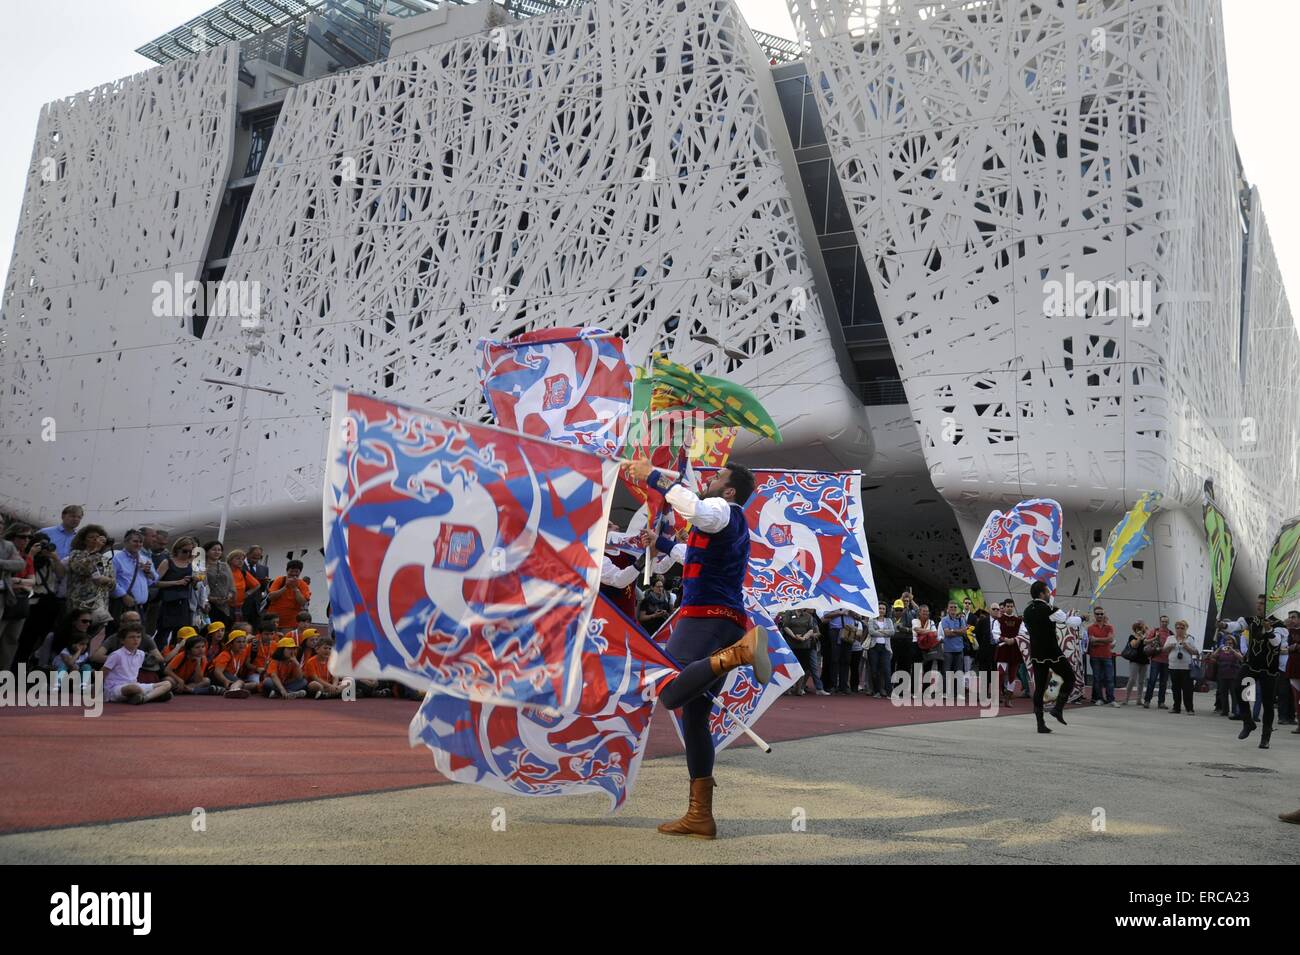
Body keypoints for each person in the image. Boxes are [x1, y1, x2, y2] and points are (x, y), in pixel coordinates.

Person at [629, 459, 770, 840]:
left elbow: (696, 509)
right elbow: (690, 554)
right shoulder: (726, 523)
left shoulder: (723, 510)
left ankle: (739, 654)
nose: (709, 480)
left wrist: (654, 478)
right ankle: (700, 817)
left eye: (718, 478)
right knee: (694, 719)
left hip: (703, 619)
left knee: (670, 690)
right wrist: (659, 543)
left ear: (730, 491)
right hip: (725, 622)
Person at [1022, 581, 1079, 733]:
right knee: (1070, 677)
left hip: (1037, 653)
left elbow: (1025, 629)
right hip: (1052, 651)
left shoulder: (1027, 611)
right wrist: (1082, 619)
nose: (1049, 595)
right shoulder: (1049, 609)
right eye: (1047, 592)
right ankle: (1058, 708)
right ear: (1041, 594)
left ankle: (1040, 723)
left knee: (1039, 687)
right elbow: (1069, 621)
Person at [1228, 597, 1285, 748]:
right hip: (1251, 664)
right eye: (1258, 603)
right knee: (1240, 688)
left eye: (1262, 604)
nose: (1258, 606)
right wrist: (1223, 625)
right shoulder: (1251, 620)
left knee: (1267, 703)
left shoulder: (1279, 624)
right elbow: (1236, 625)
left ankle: (1265, 737)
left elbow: (1276, 642)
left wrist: (1269, 629)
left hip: (1269, 669)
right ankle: (1248, 722)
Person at [18, 532, 66, 670]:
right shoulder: (25, 558)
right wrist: (31, 555)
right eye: (40, 544)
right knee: (26, 639)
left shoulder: (49, 561)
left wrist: (55, 558)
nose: (43, 548)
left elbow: (61, 574)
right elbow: (22, 573)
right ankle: (18, 669)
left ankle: (34, 665)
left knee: (44, 639)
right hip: (32, 602)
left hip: (49, 602)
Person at [102, 624, 173, 704]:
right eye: (131, 637)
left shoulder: (141, 654)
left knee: (167, 684)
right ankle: (154, 696)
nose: (136, 640)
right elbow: (102, 673)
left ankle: (145, 698)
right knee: (133, 688)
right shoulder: (116, 655)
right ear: (122, 640)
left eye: (138, 637)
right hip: (116, 688)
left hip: (135, 685)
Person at [0, 523, 36, 673]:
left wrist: (19, 581)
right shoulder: (6, 548)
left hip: (18, 602)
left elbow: (31, 579)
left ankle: (3, 674)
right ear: (12, 536)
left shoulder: (25, 557)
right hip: (5, 597)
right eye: (22, 537)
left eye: (29, 537)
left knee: (11, 639)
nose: (26, 540)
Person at [65, 524, 114, 628]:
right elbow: (81, 568)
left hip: (99, 606)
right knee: (76, 635)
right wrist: (95, 551)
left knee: (90, 637)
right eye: (91, 537)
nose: (95, 540)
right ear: (83, 540)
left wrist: (107, 580)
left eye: (98, 537)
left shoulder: (105, 559)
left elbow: (113, 584)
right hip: (80, 604)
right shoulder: (76, 554)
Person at [154, 538, 197, 649]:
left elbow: (196, 587)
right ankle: (158, 657)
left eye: (190, 551)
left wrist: (194, 581)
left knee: (181, 634)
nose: (187, 554)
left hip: (183, 602)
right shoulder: (168, 562)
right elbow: (155, 582)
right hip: (168, 602)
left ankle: (173, 657)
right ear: (177, 549)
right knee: (163, 634)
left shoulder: (191, 564)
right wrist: (176, 582)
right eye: (184, 551)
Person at [109, 530, 157, 629]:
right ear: (126, 542)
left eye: (140, 542)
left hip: (140, 607)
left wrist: (148, 572)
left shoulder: (144, 559)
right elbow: (111, 580)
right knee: (117, 636)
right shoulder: (116, 559)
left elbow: (154, 580)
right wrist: (124, 595)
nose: (138, 544)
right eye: (135, 541)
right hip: (123, 605)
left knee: (137, 638)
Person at [779, 606, 823, 696]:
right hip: (791, 644)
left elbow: (811, 629)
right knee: (790, 667)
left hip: (804, 645)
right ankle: (787, 688)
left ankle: (799, 688)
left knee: (803, 667)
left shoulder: (808, 616)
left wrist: (804, 637)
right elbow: (785, 626)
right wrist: (794, 636)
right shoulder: (789, 613)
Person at [1163, 620, 1199, 714]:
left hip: (1186, 668)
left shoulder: (1189, 639)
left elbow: (1195, 652)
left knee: (1187, 689)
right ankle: (1176, 707)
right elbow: (1164, 650)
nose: (1179, 630)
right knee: (1175, 688)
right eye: (1177, 628)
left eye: (1182, 628)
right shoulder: (1170, 638)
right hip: (1173, 667)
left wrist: (1187, 646)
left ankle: (1190, 708)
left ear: (1186, 629)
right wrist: (1170, 646)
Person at [266, 561, 310, 633]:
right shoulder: (279, 580)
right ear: (287, 570)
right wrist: (285, 587)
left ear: (300, 572)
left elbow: (302, 602)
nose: (293, 574)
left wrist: (295, 588)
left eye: (296, 571)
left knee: (286, 642)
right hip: (273, 620)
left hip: (290, 622)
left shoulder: (303, 584)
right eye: (291, 571)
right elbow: (271, 597)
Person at [1207, 633, 1244, 720]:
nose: (1228, 645)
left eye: (1230, 643)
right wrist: (1219, 649)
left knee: (1234, 694)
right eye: (1227, 643)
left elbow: (1242, 658)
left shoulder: (1236, 650)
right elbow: (1212, 656)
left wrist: (1233, 650)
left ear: (1234, 643)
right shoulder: (1221, 650)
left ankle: (1235, 711)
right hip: (1222, 675)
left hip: (1233, 675)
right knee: (1223, 693)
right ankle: (1225, 710)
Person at [994, 598, 1023, 705]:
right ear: (1004, 607)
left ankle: (1009, 698)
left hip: (1014, 650)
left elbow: (1023, 634)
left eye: (1011, 606)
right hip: (1003, 650)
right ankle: (997, 696)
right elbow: (995, 634)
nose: (1010, 608)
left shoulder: (1019, 621)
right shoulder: (999, 620)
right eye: (1008, 606)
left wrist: (1014, 639)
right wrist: (1005, 639)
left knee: (1012, 675)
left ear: (1013, 607)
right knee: (1000, 673)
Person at [208, 629, 253, 699]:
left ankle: (229, 689)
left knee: (254, 684)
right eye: (238, 642)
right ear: (231, 644)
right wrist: (225, 681)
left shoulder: (242, 651)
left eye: (243, 642)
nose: (242, 644)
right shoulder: (225, 654)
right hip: (217, 675)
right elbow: (217, 672)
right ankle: (234, 690)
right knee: (239, 681)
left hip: (231, 676)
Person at [1086, 606, 1117, 705]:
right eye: (1097, 614)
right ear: (1094, 615)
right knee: (1097, 678)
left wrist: (1097, 639)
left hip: (1107, 656)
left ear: (1104, 614)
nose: (1100, 615)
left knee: (1109, 678)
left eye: (1101, 614)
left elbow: (1111, 639)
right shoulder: (1090, 628)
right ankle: (1099, 698)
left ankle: (1111, 699)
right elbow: (1091, 642)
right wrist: (1105, 640)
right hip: (1095, 656)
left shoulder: (1109, 627)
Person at [203, 541, 235, 631]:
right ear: (206, 551)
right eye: (214, 550)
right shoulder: (202, 566)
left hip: (224, 604)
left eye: (219, 550)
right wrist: (210, 598)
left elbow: (231, 584)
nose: (217, 552)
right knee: (208, 630)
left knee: (222, 630)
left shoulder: (225, 566)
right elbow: (200, 586)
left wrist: (229, 595)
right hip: (208, 605)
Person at [866, 601, 895, 698]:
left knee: (887, 670)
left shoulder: (889, 621)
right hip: (873, 648)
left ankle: (889, 692)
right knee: (874, 670)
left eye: (883, 609)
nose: (881, 610)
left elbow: (892, 632)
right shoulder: (871, 620)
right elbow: (871, 632)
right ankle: (877, 691)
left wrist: (879, 631)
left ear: (886, 611)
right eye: (879, 608)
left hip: (885, 648)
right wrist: (884, 632)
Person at [1144, 614, 1173, 708]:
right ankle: (1147, 701)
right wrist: (1155, 638)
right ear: (1160, 622)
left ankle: (1161, 702)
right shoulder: (1155, 631)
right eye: (1162, 621)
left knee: (1163, 683)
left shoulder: (1171, 633)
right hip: (1156, 659)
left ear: (1168, 622)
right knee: (1152, 681)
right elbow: (1145, 642)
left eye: (1166, 621)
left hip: (1166, 661)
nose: (1164, 623)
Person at [227, 549, 262, 625]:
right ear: (230, 559)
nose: (241, 561)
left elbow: (257, 585)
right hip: (224, 606)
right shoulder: (225, 571)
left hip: (238, 607)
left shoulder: (243, 572)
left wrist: (247, 593)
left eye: (243, 559)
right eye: (238, 558)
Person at [1122, 621, 1150, 706]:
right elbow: (1134, 645)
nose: (1140, 630)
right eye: (1138, 628)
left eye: (1142, 628)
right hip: (1134, 660)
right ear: (1135, 629)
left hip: (1144, 660)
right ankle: (1126, 698)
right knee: (1132, 679)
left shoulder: (1146, 637)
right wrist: (1139, 638)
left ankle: (1139, 699)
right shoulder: (1132, 637)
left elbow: (1149, 644)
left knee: (1141, 681)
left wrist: (1146, 636)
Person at [939, 601, 966, 677]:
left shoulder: (961, 619)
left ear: (957, 609)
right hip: (948, 651)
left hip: (959, 650)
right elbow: (947, 633)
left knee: (958, 674)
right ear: (947, 609)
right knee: (947, 674)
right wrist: (958, 631)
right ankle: (947, 689)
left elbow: (964, 632)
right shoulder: (944, 619)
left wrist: (952, 630)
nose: (953, 608)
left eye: (955, 607)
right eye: (951, 607)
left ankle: (956, 689)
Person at [913, 605, 941, 674]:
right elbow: (917, 630)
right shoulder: (915, 620)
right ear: (919, 612)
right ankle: (915, 685)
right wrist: (929, 631)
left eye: (927, 611)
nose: (926, 613)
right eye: (924, 611)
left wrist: (925, 631)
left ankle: (927, 685)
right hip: (917, 647)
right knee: (916, 669)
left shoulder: (931, 622)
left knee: (928, 670)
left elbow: (935, 633)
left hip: (928, 647)